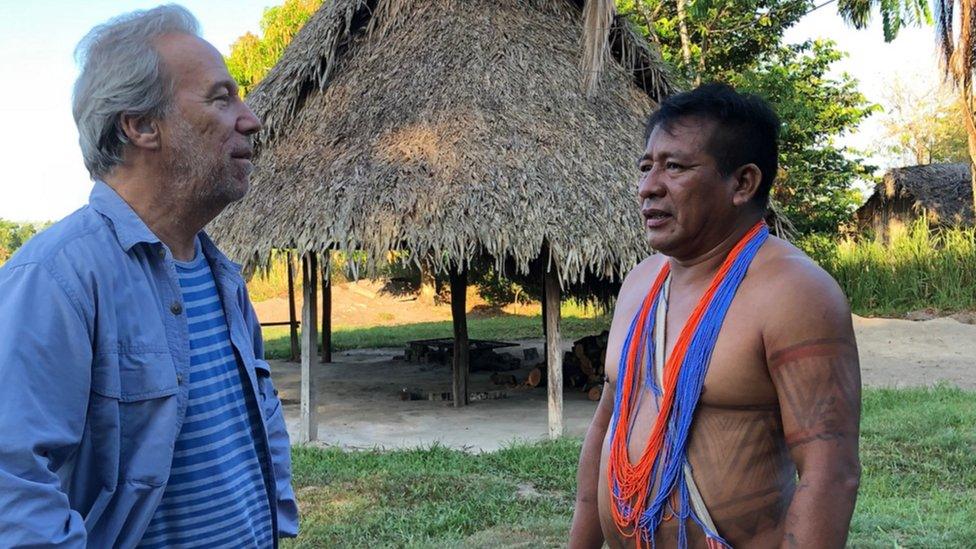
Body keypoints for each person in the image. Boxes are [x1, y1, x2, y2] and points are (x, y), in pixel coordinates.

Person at [0, 5, 298, 547]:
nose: (251, 117)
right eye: (220, 96)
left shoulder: (221, 275)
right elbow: (11, 489)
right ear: (140, 126)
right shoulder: (56, 280)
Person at [568, 83, 861, 548]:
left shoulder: (794, 293)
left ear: (743, 183)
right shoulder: (641, 283)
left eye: (675, 167)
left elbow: (830, 473)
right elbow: (607, 425)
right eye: (646, 167)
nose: (648, 187)